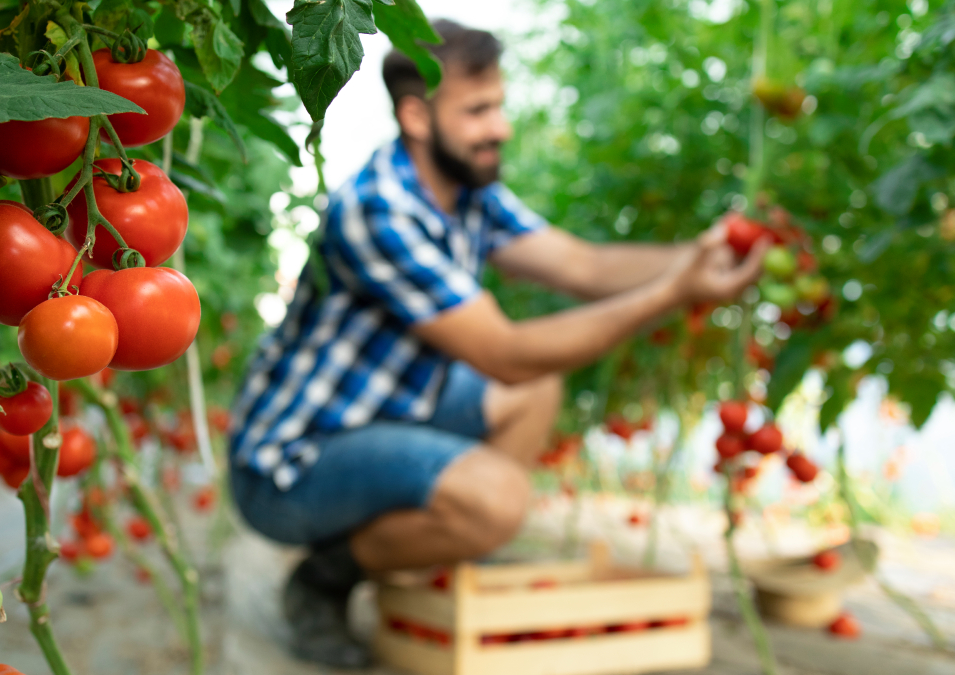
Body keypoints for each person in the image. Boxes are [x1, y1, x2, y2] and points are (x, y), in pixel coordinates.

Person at [227, 19, 768, 668]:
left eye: (499, 105)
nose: (501, 127)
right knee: (500, 496)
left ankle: (442, 549)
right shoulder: (381, 207)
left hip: (387, 414)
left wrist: (697, 257)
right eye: (479, 110)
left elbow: (584, 267)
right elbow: (503, 352)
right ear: (417, 117)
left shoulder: (469, 193)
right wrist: (674, 292)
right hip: (291, 464)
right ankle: (327, 577)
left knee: (535, 391)